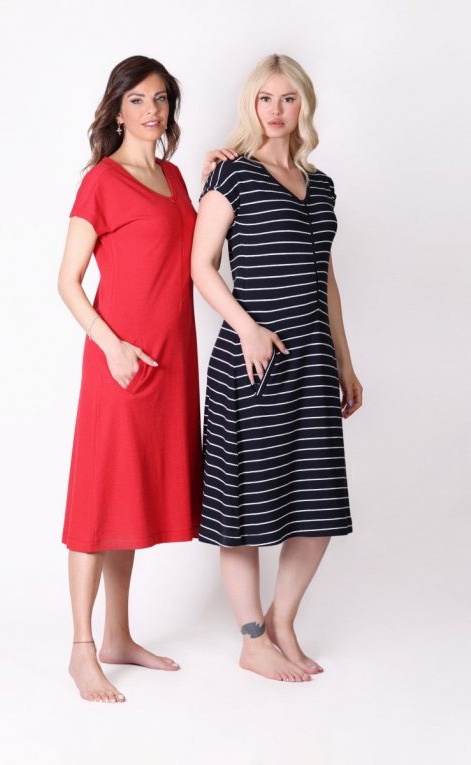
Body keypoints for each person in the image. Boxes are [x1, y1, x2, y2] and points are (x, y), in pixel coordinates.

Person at [58, 55, 237, 703]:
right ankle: (82, 650)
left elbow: (193, 258)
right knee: (97, 499)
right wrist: (112, 347)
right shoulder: (101, 182)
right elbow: (68, 282)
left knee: (128, 497)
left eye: (160, 98)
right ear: (116, 109)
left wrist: (216, 181)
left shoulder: (174, 176)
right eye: (137, 99)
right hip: (121, 361)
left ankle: (118, 636)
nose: (151, 110)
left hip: (171, 360)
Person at [191, 53, 363, 683]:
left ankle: (282, 621)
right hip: (253, 359)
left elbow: (325, 278)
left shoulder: (322, 185)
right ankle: (252, 639)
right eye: (266, 98)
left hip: (312, 360)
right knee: (244, 504)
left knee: (317, 501)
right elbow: (201, 265)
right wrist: (247, 328)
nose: (277, 110)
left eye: (289, 98)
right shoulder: (231, 175)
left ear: (304, 106)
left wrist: (345, 361)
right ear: (251, 105)